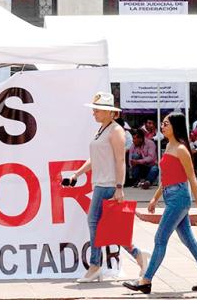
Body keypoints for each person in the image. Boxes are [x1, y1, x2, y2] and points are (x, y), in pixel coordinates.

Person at [123, 112, 197, 294]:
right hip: (171, 196)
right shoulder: (169, 146)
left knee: (160, 239)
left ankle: (146, 280)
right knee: (188, 240)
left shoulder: (182, 150)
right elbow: (166, 177)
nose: (163, 126)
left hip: (179, 198)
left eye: (166, 124)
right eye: (163, 123)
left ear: (175, 126)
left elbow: (192, 178)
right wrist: (155, 197)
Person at [67, 92, 148, 283]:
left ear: (108, 112)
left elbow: (121, 160)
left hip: (109, 184)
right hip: (101, 183)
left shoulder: (116, 131)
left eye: (96, 109)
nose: (93, 112)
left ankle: (95, 265)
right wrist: (76, 174)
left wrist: (119, 187)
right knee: (111, 228)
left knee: (94, 222)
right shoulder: (102, 129)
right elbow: (95, 159)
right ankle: (138, 255)